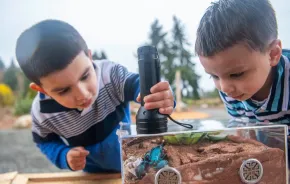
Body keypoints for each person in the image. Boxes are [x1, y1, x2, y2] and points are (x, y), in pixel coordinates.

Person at [15, 19, 175, 173]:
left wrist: (160, 96)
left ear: (89, 57)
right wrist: (64, 155)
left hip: (134, 164)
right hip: (93, 174)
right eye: (63, 90)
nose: (82, 94)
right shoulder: (42, 113)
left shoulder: (110, 75)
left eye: (85, 76)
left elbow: (140, 84)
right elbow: (45, 142)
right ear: (42, 89)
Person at [194, 0, 290, 165]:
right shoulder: (231, 87)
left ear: (273, 54)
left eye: (237, 74)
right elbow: (246, 134)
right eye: (214, 76)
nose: (225, 88)